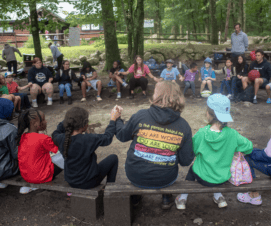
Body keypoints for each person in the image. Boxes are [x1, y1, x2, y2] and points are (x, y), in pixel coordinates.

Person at [115, 81, 195, 209]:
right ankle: (165, 197)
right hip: (165, 177)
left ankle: (136, 197)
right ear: (177, 97)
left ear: (156, 96)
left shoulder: (140, 116)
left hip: (135, 174)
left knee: (142, 172)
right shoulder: (183, 126)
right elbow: (186, 161)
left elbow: (121, 136)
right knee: (163, 173)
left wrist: (117, 120)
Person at [175, 94, 253, 210]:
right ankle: (219, 197)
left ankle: (182, 198)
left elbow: (192, 152)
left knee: (193, 169)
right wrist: (234, 149)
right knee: (214, 169)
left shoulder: (202, 133)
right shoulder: (232, 134)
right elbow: (249, 147)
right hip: (222, 178)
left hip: (203, 177)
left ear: (209, 114)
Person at [52, 107, 119, 189]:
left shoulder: (60, 138)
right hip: (89, 182)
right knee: (113, 158)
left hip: (71, 181)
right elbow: (107, 138)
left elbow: (55, 132)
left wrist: (68, 120)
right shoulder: (89, 139)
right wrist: (112, 120)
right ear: (85, 125)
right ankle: (110, 190)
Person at [17, 109, 64, 194]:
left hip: (26, 176)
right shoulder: (43, 138)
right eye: (43, 119)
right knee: (64, 156)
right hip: (41, 177)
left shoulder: (23, 137)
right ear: (33, 123)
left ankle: (33, 184)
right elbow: (57, 151)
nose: (45, 122)